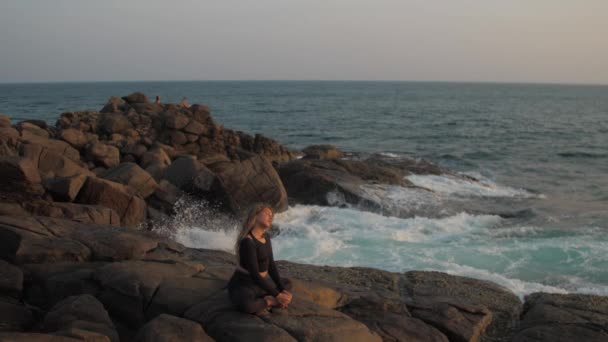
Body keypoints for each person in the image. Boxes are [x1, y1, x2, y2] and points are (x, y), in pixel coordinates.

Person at [227, 203, 294, 316]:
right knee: (247, 306)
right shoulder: (248, 242)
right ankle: (269, 301)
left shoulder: (266, 237)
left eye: (272, 215)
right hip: (244, 284)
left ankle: (266, 297)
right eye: (267, 213)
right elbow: (255, 275)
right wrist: (277, 296)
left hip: (259, 284)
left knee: (287, 283)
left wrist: (283, 291)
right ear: (256, 215)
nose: (271, 217)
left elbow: (271, 266)